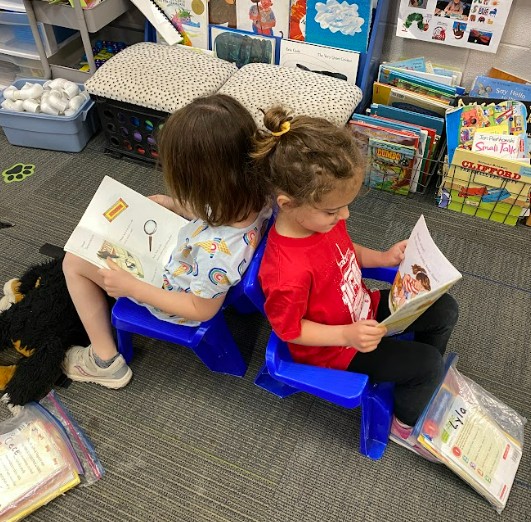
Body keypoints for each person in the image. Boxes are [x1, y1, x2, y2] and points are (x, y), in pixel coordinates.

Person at [252, 107, 459, 460]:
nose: (344, 216)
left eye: (345, 207)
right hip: (336, 349)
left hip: (361, 312)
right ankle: (405, 422)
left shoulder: (322, 222)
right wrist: (346, 336)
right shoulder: (285, 271)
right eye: (334, 210)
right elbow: (289, 330)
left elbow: (347, 252)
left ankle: (419, 380)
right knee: (425, 365)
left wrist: (383, 257)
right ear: (286, 204)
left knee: (443, 308)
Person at [62, 94, 272, 389]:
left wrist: (131, 288)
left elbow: (202, 310)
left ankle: (104, 359)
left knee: (73, 261)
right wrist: (173, 204)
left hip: (177, 295)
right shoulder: (256, 193)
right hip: (192, 258)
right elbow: (216, 210)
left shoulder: (218, 257)